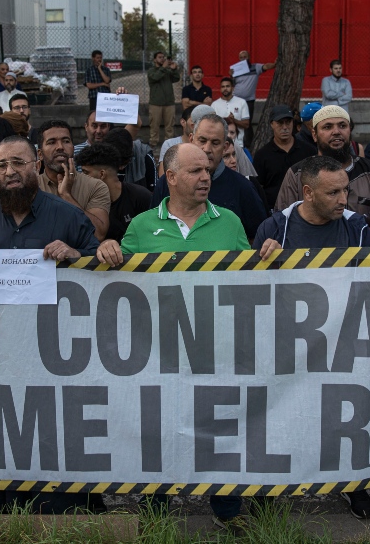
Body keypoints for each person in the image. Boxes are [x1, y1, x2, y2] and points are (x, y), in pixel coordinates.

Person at [96, 143, 253, 528]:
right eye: (196, 171)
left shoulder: (230, 222)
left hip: (214, 349)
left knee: (217, 430)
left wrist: (265, 256)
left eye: (208, 170)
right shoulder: (142, 225)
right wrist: (106, 247)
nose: (206, 177)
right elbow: (117, 278)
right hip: (157, 353)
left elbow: (252, 283)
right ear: (170, 177)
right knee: (157, 430)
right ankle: (155, 514)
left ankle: (227, 513)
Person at [0, 136, 106, 515]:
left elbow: (101, 273)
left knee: (55, 436)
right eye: (2, 165)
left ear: (35, 163)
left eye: (18, 163)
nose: (9, 172)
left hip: (56, 358)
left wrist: (76, 257)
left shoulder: (69, 216)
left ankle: (61, 510)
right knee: (0, 436)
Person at [277, 106, 370, 243]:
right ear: (314, 134)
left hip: (361, 259)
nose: (336, 132)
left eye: (342, 126)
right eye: (327, 127)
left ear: (350, 130)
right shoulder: (298, 174)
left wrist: (358, 235)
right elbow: (282, 223)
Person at [149, 113, 266, 240]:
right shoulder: (168, 183)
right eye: (202, 140)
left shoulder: (243, 188)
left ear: (225, 147)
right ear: (191, 139)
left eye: (215, 143)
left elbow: (258, 239)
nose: (207, 149)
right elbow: (152, 229)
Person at [255, 154, 370, 255]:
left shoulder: (358, 228)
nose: (343, 200)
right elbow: (256, 279)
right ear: (308, 193)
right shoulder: (272, 229)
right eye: (333, 192)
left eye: (345, 190)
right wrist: (273, 264)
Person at [34, 120, 111, 242]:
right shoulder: (31, 187)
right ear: (40, 154)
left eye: (66, 141)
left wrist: (67, 196)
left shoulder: (96, 186)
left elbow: (98, 234)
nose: (60, 147)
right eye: (51, 142)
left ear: (73, 148)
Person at [77, 142, 152, 241]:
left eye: (86, 172)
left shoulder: (141, 197)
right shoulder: (83, 202)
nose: (82, 177)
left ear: (102, 174)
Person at [253, 105, 314, 203]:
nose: (285, 127)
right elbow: (257, 187)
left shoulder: (308, 151)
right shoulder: (262, 155)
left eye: (288, 122)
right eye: (280, 123)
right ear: (272, 124)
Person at [210, 76, 250, 150]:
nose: (225, 88)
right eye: (223, 86)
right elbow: (212, 125)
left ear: (233, 88)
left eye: (227, 86)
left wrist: (233, 120)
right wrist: (225, 120)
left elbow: (246, 124)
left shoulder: (241, 102)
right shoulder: (214, 104)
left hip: (238, 144)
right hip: (219, 144)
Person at [159, 107, 195, 172]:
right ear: (183, 122)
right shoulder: (169, 144)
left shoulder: (204, 146)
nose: (196, 125)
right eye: (194, 121)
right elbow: (163, 176)